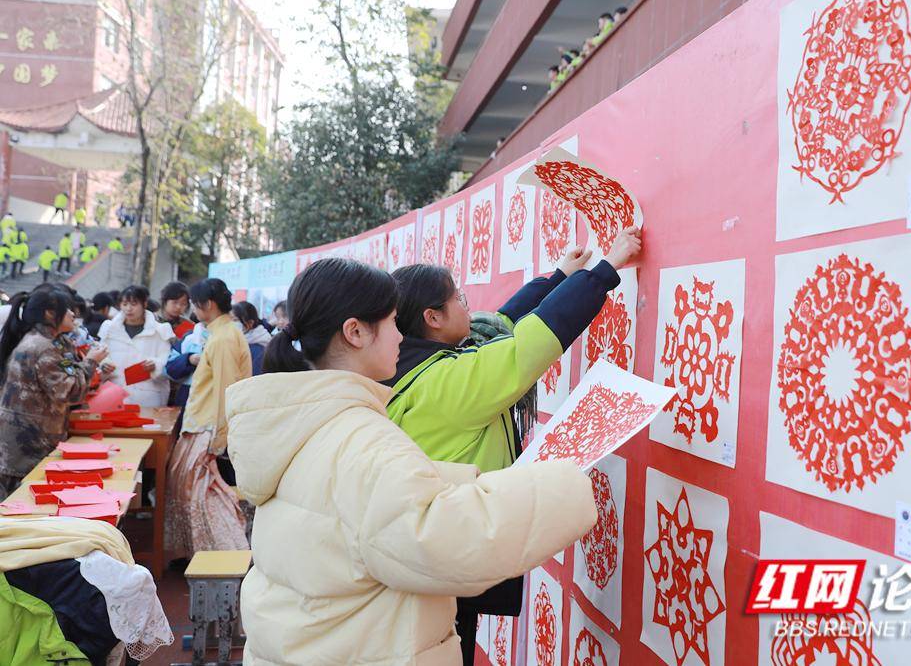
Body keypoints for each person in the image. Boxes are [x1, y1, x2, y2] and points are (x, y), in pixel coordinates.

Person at [225, 258, 596, 664]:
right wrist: (564, 480)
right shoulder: (363, 441)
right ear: (355, 332)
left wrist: (453, 480)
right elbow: (448, 543)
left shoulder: (309, 423)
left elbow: (361, 508)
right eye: (393, 323)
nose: (401, 336)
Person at [386, 227, 641, 664]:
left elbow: (500, 325)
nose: (468, 305)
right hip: (447, 553)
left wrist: (561, 275)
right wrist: (605, 270)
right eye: (459, 299)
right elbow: (524, 346)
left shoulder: (416, 361)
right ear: (433, 318)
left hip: (432, 549)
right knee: (449, 645)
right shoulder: (444, 382)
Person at [166, 278, 251, 558]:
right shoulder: (222, 333)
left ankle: (227, 551)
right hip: (203, 423)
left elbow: (227, 390)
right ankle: (202, 552)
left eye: (194, 304)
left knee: (203, 494)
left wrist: (217, 439)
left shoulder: (225, 338)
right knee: (192, 490)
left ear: (208, 305)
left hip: (207, 427)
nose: (192, 309)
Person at [0, 285, 109, 498]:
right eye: (67, 309)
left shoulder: (47, 342)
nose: (72, 314)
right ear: (50, 314)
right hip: (27, 446)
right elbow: (69, 392)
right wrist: (90, 362)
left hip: (28, 442)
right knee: (24, 512)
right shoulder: (43, 347)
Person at [98, 285, 174, 408]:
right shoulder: (109, 329)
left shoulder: (160, 331)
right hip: (114, 396)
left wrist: (155, 365)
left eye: (134, 304)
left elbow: (167, 362)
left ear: (144, 304)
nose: (129, 309)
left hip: (148, 397)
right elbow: (100, 357)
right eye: (124, 304)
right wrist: (104, 366)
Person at [230, 301, 271, 376]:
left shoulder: (258, 348)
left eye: (235, 320)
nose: (231, 324)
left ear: (250, 323)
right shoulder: (238, 342)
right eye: (229, 320)